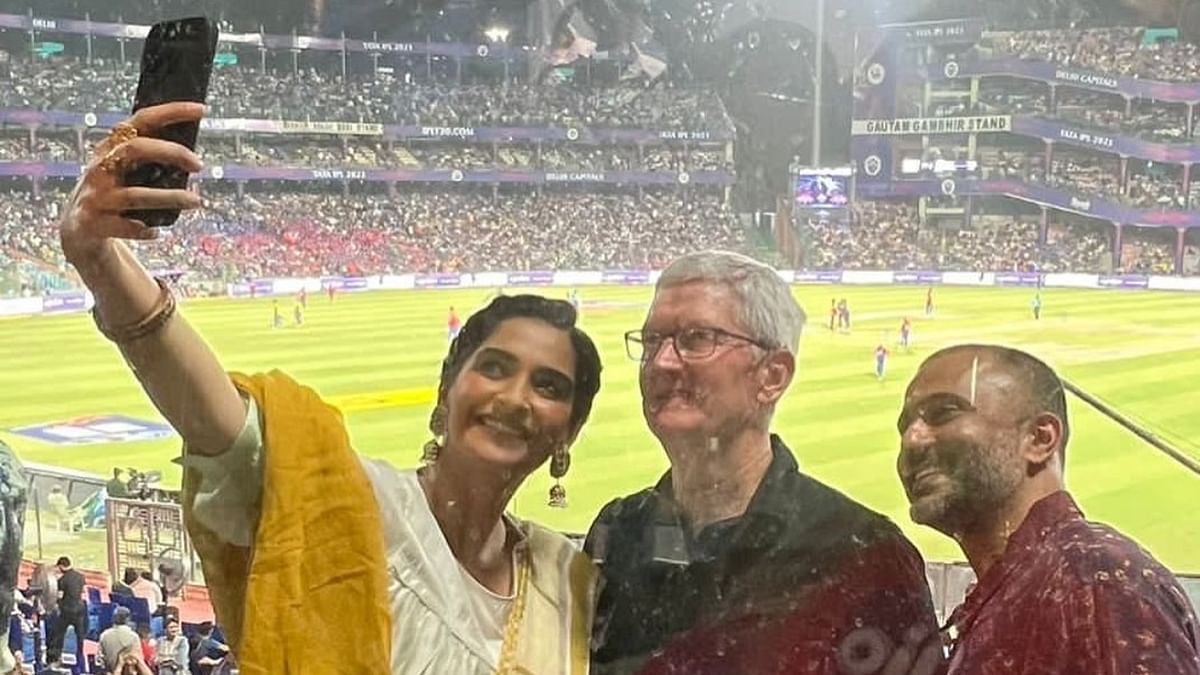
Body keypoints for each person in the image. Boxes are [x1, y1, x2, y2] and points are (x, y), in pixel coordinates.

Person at [58, 101, 604, 673]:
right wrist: (97, 258)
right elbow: (226, 432)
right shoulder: (355, 506)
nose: (514, 397)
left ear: (568, 430)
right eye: (494, 368)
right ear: (447, 390)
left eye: (548, 386)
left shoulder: (566, 579)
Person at [586, 251, 940, 675]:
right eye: (651, 342)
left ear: (772, 376)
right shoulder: (619, 529)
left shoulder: (864, 552)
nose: (661, 361)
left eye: (697, 339)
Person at [897, 344, 1200, 674]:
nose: (912, 439)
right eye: (905, 426)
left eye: (944, 413)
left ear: (1040, 439)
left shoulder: (1094, 584)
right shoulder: (1035, 582)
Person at [46, 556, 87, 667]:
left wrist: (57, 606)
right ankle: (80, 657)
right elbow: (83, 593)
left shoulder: (62, 580)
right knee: (79, 635)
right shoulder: (80, 577)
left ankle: (55, 656)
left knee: (59, 634)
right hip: (79, 610)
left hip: (66, 611)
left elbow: (59, 596)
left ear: (61, 566)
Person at [97, 606, 140, 672]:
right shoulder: (133, 636)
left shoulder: (104, 635)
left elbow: (100, 658)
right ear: (127, 619)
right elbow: (138, 659)